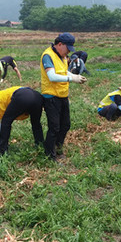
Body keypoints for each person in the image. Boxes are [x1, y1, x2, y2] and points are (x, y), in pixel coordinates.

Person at [40, 33, 87, 161]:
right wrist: (71, 79)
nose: (68, 52)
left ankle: (57, 146)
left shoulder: (63, 57)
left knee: (65, 124)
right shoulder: (47, 56)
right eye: (67, 49)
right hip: (51, 96)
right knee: (54, 127)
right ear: (60, 44)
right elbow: (52, 76)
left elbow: (63, 71)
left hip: (62, 95)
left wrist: (73, 76)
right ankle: (50, 155)